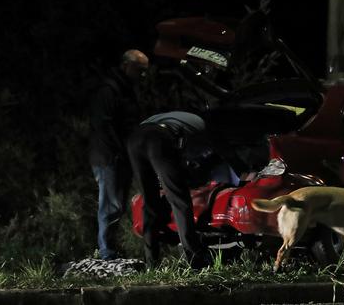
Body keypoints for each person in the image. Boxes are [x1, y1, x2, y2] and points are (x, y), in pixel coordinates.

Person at [126, 111, 235, 270]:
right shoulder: (204, 127)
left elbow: (179, 157)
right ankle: (195, 259)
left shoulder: (180, 119)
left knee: (150, 202)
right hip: (158, 138)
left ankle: (151, 263)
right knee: (180, 201)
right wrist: (241, 169)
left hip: (135, 139)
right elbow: (222, 150)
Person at [88, 49, 149, 260]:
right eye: (139, 70)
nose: (142, 75)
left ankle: (110, 250)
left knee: (118, 205)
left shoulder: (125, 89)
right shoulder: (109, 90)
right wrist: (118, 152)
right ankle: (107, 252)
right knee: (111, 205)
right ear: (126, 66)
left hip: (120, 156)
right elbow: (103, 125)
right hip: (109, 157)